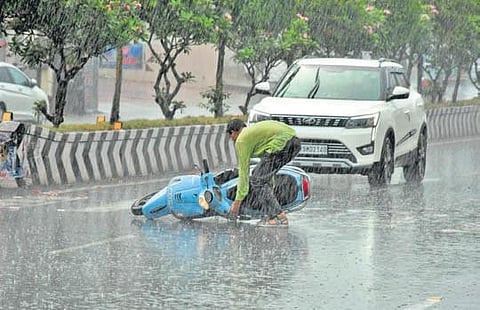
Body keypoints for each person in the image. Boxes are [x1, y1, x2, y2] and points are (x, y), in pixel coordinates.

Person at [226, 119, 301, 227]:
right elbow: (268, 173)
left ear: (234, 132)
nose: (231, 138)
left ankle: (279, 216)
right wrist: (270, 188)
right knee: (259, 175)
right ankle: (272, 216)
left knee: (257, 181)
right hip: (294, 143)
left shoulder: (241, 140)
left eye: (230, 135)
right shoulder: (254, 136)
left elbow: (244, 172)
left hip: (282, 143)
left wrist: (237, 201)